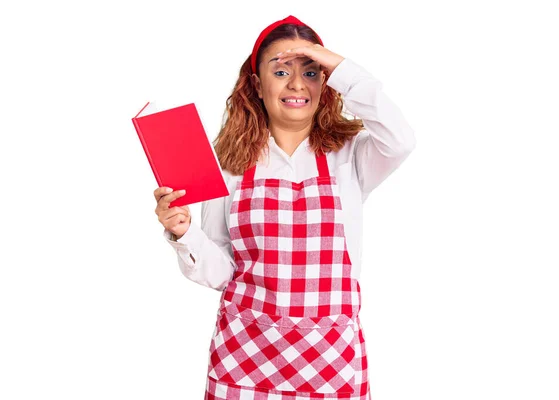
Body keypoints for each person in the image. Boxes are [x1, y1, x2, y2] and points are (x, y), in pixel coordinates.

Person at [153, 15, 416, 400]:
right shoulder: (227, 164)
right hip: (244, 361)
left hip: (331, 363)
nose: (297, 84)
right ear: (257, 85)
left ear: (326, 82)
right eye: (280, 71)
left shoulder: (352, 155)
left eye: (311, 72)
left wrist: (338, 66)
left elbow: (401, 140)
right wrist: (183, 232)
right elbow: (220, 272)